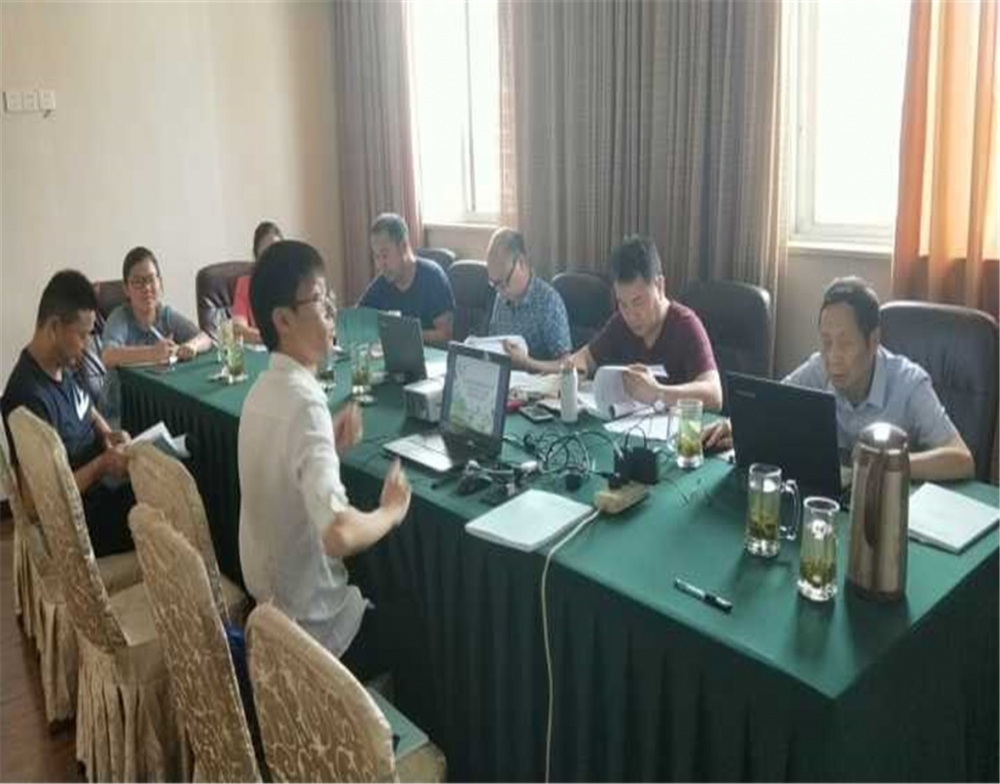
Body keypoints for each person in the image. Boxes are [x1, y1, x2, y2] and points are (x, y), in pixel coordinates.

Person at [238, 239, 412, 674]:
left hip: (271, 616)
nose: (332, 311)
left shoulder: (261, 390)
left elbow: (284, 478)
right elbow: (338, 534)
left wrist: (328, 447)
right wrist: (391, 512)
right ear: (283, 320)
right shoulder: (304, 402)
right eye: (319, 300)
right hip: (317, 633)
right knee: (418, 622)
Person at [702, 276, 975, 482]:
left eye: (845, 343)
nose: (833, 357)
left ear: (873, 341)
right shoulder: (819, 367)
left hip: (889, 509)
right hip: (833, 500)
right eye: (826, 342)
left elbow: (962, 459)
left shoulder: (909, 383)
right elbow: (771, 404)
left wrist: (888, 464)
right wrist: (736, 424)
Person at [1, 270, 135, 556]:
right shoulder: (26, 397)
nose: (87, 346)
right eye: (82, 335)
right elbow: (34, 504)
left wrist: (106, 433)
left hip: (103, 495)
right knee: (165, 513)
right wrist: (101, 465)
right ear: (54, 327)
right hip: (81, 525)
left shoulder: (62, 363)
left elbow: (85, 408)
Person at [508, 235, 723, 411]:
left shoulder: (685, 325)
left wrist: (658, 393)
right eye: (623, 303)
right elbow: (585, 358)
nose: (631, 315)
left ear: (659, 286)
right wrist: (575, 369)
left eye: (638, 302)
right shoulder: (621, 323)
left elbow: (715, 395)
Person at [100, 247, 212, 423]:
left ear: (160, 283)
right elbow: (108, 356)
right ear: (126, 289)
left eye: (151, 279)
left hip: (159, 409)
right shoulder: (120, 317)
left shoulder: (165, 315)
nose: (146, 288)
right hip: (120, 414)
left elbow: (205, 338)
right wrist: (153, 353)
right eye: (138, 282)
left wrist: (191, 346)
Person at [358, 213, 455, 344]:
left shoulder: (432, 277)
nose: (380, 265)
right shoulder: (382, 282)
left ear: (403, 247)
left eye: (385, 255)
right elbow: (357, 319)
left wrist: (404, 335)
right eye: (376, 257)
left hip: (430, 355)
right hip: (395, 355)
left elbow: (445, 334)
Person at [486, 227, 572, 361]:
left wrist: (527, 363)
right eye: (494, 284)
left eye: (503, 283)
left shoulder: (549, 302)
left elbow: (566, 364)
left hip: (537, 374)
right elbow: (493, 344)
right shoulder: (500, 298)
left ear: (521, 263)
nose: (499, 291)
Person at [231, 220, 283, 344]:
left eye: (277, 250)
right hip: (260, 351)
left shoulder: (294, 283)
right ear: (257, 255)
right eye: (266, 252)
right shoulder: (245, 285)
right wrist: (276, 338)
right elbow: (238, 330)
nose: (272, 257)